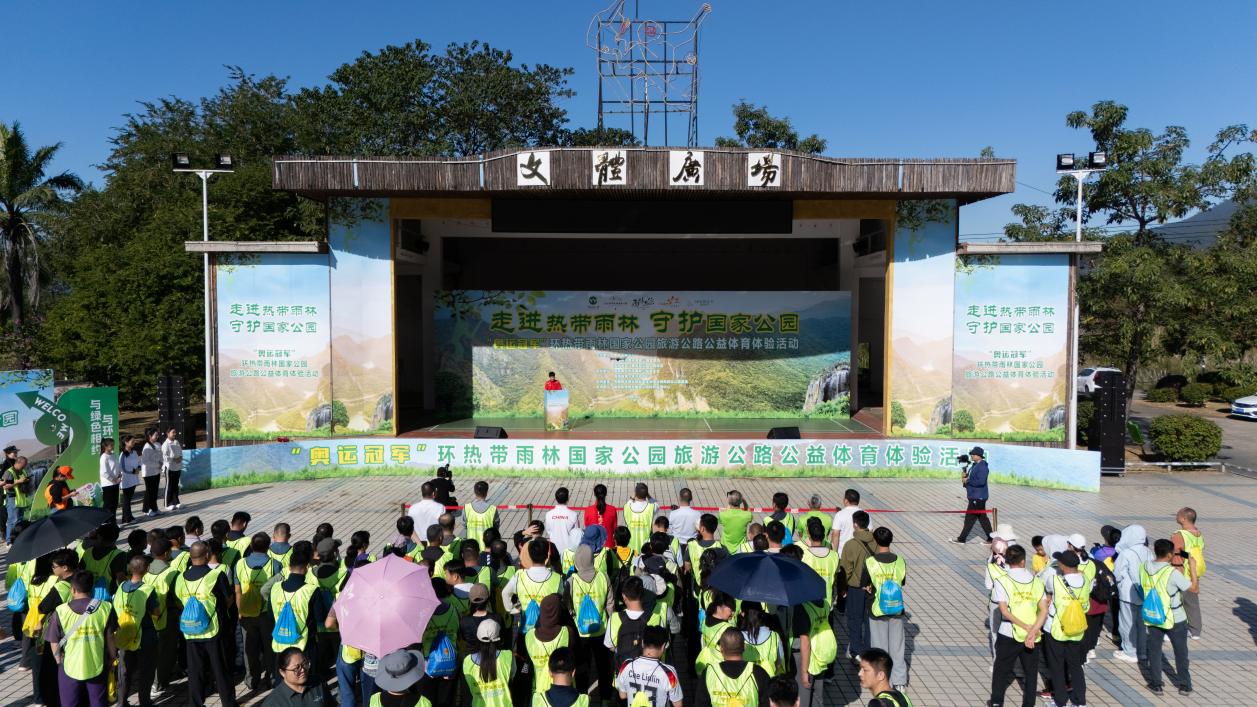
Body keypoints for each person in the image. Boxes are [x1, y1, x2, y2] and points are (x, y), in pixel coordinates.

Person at [173, 542, 239, 707]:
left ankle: (195, 704)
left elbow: (179, 601)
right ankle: (229, 704)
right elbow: (228, 600)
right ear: (208, 555)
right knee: (221, 670)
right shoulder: (216, 576)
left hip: (191, 630)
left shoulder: (181, 577)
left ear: (190, 556)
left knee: (195, 672)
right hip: (213, 631)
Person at [44, 569, 117, 707]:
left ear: (72, 589)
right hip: (97, 664)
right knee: (98, 702)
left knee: (70, 703)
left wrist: (58, 660)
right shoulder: (105, 607)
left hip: (69, 666)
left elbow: (54, 641)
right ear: (92, 588)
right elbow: (110, 637)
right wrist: (113, 656)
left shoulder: (61, 610)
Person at [988, 544, 1048, 707]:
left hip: (1008, 632)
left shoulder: (1002, 581)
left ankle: (997, 701)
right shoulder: (1036, 582)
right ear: (1023, 561)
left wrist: (1025, 626)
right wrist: (1033, 629)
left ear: (1007, 560)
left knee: (1001, 669)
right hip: (1033, 635)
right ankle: (1029, 704)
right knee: (1031, 672)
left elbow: (1004, 611)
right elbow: (1043, 610)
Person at [1141, 538, 1196, 696]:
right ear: (1171, 554)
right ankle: (1184, 685)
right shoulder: (1171, 573)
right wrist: (1192, 567)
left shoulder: (1143, 567)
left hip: (1152, 615)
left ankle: (1156, 684)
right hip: (1174, 617)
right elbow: (1193, 588)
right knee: (1180, 652)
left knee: (1154, 650)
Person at [1041, 549, 1090, 707]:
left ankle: (1060, 701)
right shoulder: (1086, 581)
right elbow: (1086, 606)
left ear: (1063, 565)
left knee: (1056, 666)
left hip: (1056, 629)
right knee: (1075, 665)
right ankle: (1080, 701)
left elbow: (1046, 589)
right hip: (1076, 629)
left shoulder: (1055, 581)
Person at [862, 526, 908, 691]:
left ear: (875, 541)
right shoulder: (900, 560)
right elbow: (902, 581)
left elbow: (864, 584)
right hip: (896, 608)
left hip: (877, 609)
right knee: (898, 646)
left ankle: (882, 680)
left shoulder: (870, 562)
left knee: (880, 647)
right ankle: (900, 681)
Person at [236, 531, 280, 690]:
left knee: (250, 648)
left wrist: (239, 611)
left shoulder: (240, 564)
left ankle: (251, 680)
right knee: (270, 648)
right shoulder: (275, 564)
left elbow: (237, 591)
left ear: (251, 546)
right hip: (267, 614)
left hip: (246, 613)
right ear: (268, 547)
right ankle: (272, 677)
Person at [115, 555, 160, 707]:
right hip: (145, 634)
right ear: (147, 569)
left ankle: (121, 702)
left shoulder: (121, 587)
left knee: (124, 671)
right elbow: (156, 611)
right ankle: (144, 702)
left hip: (124, 634)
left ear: (129, 568)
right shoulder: (148, 590)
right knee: (146, 671)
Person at [838, 511, 876, 659]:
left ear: (855, 524)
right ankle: (868, 648)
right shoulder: (875, 541)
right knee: (868, 620)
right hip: (872, 588)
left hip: (855, 588)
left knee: (854, 619)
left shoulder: (851, 545)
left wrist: (843, 588)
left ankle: (856, 650)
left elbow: (845, 569)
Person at [617, 624, 683, 707]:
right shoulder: (669, 672)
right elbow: (677, 704)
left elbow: (622, 695)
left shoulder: (626, 665)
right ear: (663, 646)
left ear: (642, 643)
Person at [1112, 524, 1150, 664]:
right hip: (1144, 593)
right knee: (1141, 624)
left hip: (1128, 594)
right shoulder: (1147, 551)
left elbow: (1117, 574)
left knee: (1127, 623)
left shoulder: (1126, 553)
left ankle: (1129, 651)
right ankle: (1142, 651)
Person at [700, 629, 769, 707]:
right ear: (744, 647)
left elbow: (700, 704)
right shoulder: (758, 672)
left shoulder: (709, 673)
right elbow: (767, 703)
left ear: (721, 648)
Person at [463, 618, 515, 707]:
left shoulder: (467, 661)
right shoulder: (508, 656)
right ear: (498, 637)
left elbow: (468, 688)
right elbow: (512, 675)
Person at [1171, 506, 1204, 639]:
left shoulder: (1179, 535)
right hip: (1194, 571)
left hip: (1181, 570)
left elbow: (1175, 551)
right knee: (1192, 602)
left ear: (1184, 518)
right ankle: (1195, 631)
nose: (1176, 516)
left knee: (1175, 601)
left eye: (1178, 514)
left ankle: (1173, 629)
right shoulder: (1198, 533)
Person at [263, 647, 331, 706]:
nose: (303, 670)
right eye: (296, 668)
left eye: (305, 664)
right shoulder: (273, 702)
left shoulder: (319, 683)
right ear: (282, 672)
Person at [953, 447, 994, 544]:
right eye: (971, 454)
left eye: (973, 454)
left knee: (969, 518)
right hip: (975, 496)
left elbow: (981, 481)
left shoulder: (983, 467)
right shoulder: (975, 465)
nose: (971, 456)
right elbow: (971, 479)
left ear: (978, 456)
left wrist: (968, 480)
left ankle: (961, 539)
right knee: (983, 518)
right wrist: (965, 478)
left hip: (978, 497)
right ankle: (991, 538)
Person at [3, 453, 33, 542]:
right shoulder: (9, 472)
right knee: (12, 521)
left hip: (21, 500)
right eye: (24, 465)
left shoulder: (23, 471)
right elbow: (5, 486)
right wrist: (18, 481)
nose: (25, 467)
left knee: (19, 521)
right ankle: (9, 541)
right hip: (12, 500)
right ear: (18, 463)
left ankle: (18, 538)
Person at [545, 487, 581, 555]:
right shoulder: (573, 515)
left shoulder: (548, 514)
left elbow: (549, 531)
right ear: (568, 498)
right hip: (569, 551)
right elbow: (577, 533)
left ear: (556, 498)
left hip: (554, 550)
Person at [624, 483, 658, 554]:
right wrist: (648, 496)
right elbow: (656, 504)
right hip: (646, 548)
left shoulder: (627, 507)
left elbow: (628, 503)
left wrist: (632, 497)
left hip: (631, 547)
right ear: (646, 494)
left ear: (635, 494)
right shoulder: (651, 507)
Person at [118, 435, 142, 524]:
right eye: (132, 441)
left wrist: (138, 468)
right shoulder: (123, 455)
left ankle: (127, 517)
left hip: (134, 479)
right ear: (126, 443)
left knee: (129, 499)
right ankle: (127, 518)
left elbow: (139, 462)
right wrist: (133, 471)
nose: (134, 442)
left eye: (134, 441)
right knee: (126, 499)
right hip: (126, 480)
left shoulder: (134, 452)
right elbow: (122, 468)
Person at [140, 428, 163, 517]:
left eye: (158, 435)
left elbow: (161, 456)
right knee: (149, 492)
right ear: (150, 436)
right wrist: (157, 465)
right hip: (148, 473)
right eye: (155, 435)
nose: (157, 437)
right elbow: (145, 461)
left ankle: (154, 508)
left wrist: (161, 463)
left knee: (155, 491)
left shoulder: (158, 444)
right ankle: (146, 509)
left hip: (156, 472)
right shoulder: (147, 446)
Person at [98, 437, 121, 521]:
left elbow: (117, 466)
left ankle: (113, 521)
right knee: (108, 505)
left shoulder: (113, 454)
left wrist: (119, 475)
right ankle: (106, 522)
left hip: (115, 483)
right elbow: (103, 472)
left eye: (113, 445)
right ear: (105, 446)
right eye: (111, 445)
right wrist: (114, 479)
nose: (112, 446)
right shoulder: (104, 457)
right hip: (108, 484)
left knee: (114, 504)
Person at [830, 489, 861, 553]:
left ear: (846, 501)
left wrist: (834, 554)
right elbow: (870, 532)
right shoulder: (865, 514)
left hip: (842, 553)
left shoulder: (840, 515)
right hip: (859, 553)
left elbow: (835, 535)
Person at [160, 427, 183, 511]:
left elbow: (180, 452)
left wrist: (180, 458)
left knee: (175, 486)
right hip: (169, 468)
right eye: (173, 432)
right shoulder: (165, 444)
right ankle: (167, 503)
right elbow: (164, 456)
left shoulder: (176, 442)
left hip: (177, 467)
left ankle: (176, 502)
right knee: (169, 486)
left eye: (175, 432)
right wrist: (174, 459)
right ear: (168, 433)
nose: (174, 434)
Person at [0, 443, 15, 542]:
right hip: (5, 493)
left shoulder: (12, 463)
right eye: (14, 452)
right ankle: (5, 534)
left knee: (6, 516)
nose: (15, 453)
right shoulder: (5, 465)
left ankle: (5, 534)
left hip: (8, 494)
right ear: (8, 454)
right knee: (4, 515)